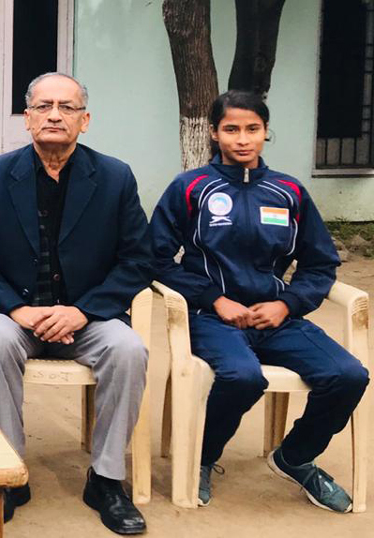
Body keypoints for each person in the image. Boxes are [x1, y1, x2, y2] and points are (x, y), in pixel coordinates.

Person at [149, 90, 368, 513]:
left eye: (253, 129)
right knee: (243, 377)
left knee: (348, 375)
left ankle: (296, 456)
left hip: (277, 319)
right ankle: (203, 457)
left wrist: (287, 305)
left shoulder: (289, 191)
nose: (242, 138)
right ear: (214, 133)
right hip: (212, 318)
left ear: (266, 132)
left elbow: (320, 264)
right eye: (231, 129)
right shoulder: (190, 187)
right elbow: (154, 258)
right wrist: (214, 299)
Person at [0, 73, 152, 534]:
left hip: (88, 316)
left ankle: (106, 480)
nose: (55, 115)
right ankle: (9, 472)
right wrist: (15, 309)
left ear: (85, 120)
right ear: (27, 118)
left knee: (129, 349)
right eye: (44, 107)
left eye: (67, 107)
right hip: (17, 316)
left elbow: (139, 259)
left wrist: (83, 310)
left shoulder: (115, 177)